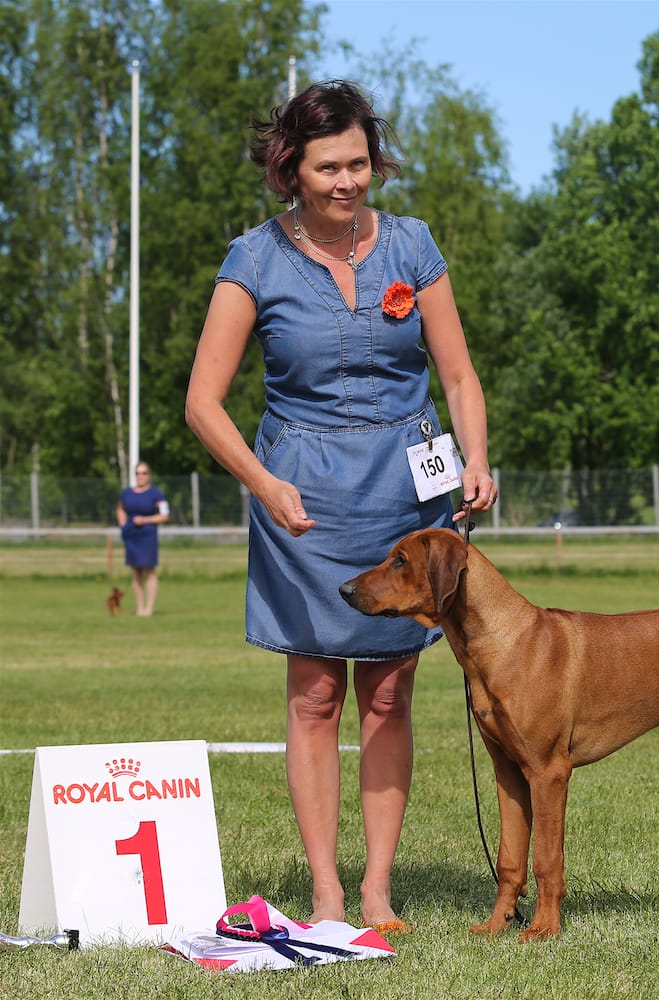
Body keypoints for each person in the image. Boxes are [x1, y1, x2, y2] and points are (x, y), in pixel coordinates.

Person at [184, 80, 496, 932]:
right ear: (291, 168)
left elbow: (458, 374)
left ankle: (377, 890)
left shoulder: (413, 244)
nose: (347, 181)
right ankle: (325, 890)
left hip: (405, 494)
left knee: (390, 695)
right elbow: (203, 403)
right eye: (328, 167)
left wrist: (474, 456)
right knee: (315, 696)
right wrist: (264, 482)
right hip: (303, 500)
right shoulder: (253, 258)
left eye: (358, 163)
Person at [116, 461, 170, 617]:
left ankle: (149, 608)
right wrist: (123, 524)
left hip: (148, 535)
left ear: (149, 475)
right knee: (136, 571)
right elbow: (120, 509)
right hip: (132, 535)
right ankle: (140, 608)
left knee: (150, 571)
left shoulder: (156, 493)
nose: (140, 476)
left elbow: (164, 515)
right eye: (138, 473)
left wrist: (145, 520)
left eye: (144, 473)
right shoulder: (127, 493)